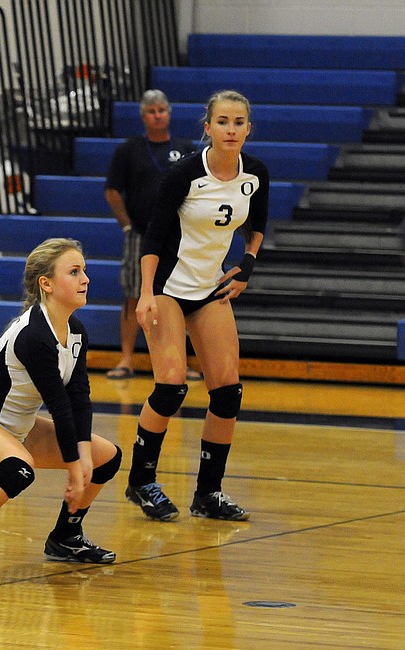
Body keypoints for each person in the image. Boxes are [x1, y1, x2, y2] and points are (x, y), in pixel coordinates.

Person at [0, 238, 122, 587]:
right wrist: (75, 470)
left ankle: (65, 538)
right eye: (74, 272)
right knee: (18, 469)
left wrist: (85, 458)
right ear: (46, 283)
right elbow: (58, 405)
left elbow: (79, 397)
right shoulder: (33, 334)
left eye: (84, 271)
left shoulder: (75, 331)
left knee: (107, 458)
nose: (85, 279)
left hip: (17, 428)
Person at [126, 89, 267, 523]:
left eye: (238, 122)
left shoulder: (255, 174)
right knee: (170, 387)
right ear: (207, 128)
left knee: (227, 390)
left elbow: (257, 226)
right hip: (168, 287)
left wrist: (246, 266)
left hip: (209, 290)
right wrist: (147, 293)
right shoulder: (185, 174)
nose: (231, 129)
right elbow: (152, 237)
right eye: (222, 121)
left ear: (248, 128)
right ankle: (141, 481)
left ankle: (208, 493)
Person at [104, 89, 195, 380]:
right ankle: (127, 359)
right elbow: (112, 191)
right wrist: (127, 225)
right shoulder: (128, 150)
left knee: (179, 297)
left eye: (162, 110)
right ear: (143, 117)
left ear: (169, 113)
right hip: (141, 233)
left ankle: (180, 361)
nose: (158, 116)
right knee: (133, 294)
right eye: (152, 112)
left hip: (177, 235)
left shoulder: (186, 147)